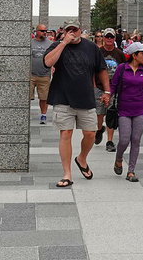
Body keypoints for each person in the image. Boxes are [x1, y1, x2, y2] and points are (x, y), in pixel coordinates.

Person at [44, 21, 110, 188]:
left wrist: (107, 91)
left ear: (80, 30)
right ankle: (67, 174)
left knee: (90, 134)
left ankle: (82, 158)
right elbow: (47, 62)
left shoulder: (91, 47)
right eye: (69, 30)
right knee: (65, 133)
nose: (72, 32)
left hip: (86, 97)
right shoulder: (57, 45)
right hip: (62, 97)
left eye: (75, 29)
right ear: (64, 31)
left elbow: (101, 69)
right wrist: (63, 43)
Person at [110, 42, 143, 181]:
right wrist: (107, 95)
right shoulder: (122, 69)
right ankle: (118, 159)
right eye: (142, 53)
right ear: (134, 55)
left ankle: (131, 171)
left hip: (140, 109)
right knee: (124, 140)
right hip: (124, 109)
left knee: (136, 140)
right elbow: (113, 85)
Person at [96, 30, 126, 151]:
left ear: (114, 38)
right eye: (107, 36)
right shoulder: (98, 52)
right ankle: (99, 129)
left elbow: (124, 69)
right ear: (103, 38)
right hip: (99, 87)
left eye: (111, 37)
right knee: (100, 113)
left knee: (111, 113)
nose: (109, 39)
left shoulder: (119, 53)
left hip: (114, 88)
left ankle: (109, 141)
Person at [31, 23, 54, 125]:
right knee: (26, 96)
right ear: (36, 31)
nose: (44, 33)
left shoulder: (49, 43)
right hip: (30, 74)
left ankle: (43, 115)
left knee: (44, 98)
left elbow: (53, 56)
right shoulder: (30, 43)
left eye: (46, 31)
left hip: (44, 74)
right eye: (42, 31)